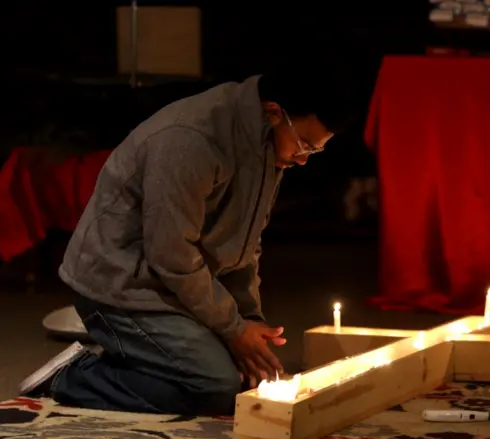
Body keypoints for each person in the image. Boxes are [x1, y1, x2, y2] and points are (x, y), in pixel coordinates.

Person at [18, 67, 353, 416]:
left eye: (314, 152)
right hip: (120, 284)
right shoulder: (192, 138)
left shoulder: (267, 145)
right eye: (303, 146)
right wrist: (233, 330)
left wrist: (250, 321)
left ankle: (144, 359)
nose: (302, 159)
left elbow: (245, 249)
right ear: (272, 112)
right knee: (214, 386)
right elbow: (170, 255)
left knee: (245, 377)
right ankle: (76, 376)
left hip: (175, 285)